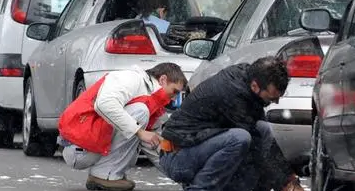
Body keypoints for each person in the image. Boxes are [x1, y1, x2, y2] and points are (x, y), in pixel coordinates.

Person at [159, 56, 303, 191]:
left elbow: (262, 143)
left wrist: (287, 178)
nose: (275, 102)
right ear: (255, 86)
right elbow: (256, 146)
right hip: (177, 156)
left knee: (262, 129)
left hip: (198, 146)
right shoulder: (232, 93)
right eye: (271, 98)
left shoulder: (250, 79)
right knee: (240, 138)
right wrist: (285, 181)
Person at [58, 63, 187, 191]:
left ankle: (106, 174)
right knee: (140, 111)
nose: (174, 99)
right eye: (174, 92)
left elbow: (153, 145)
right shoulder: (131, 79)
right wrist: (139, 131)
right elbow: (104, 104)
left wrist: (182, 177)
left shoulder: (153, 102)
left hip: (90, 144)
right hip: (78, 147)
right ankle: (104, 175)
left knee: (144, 127)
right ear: (163, 80)